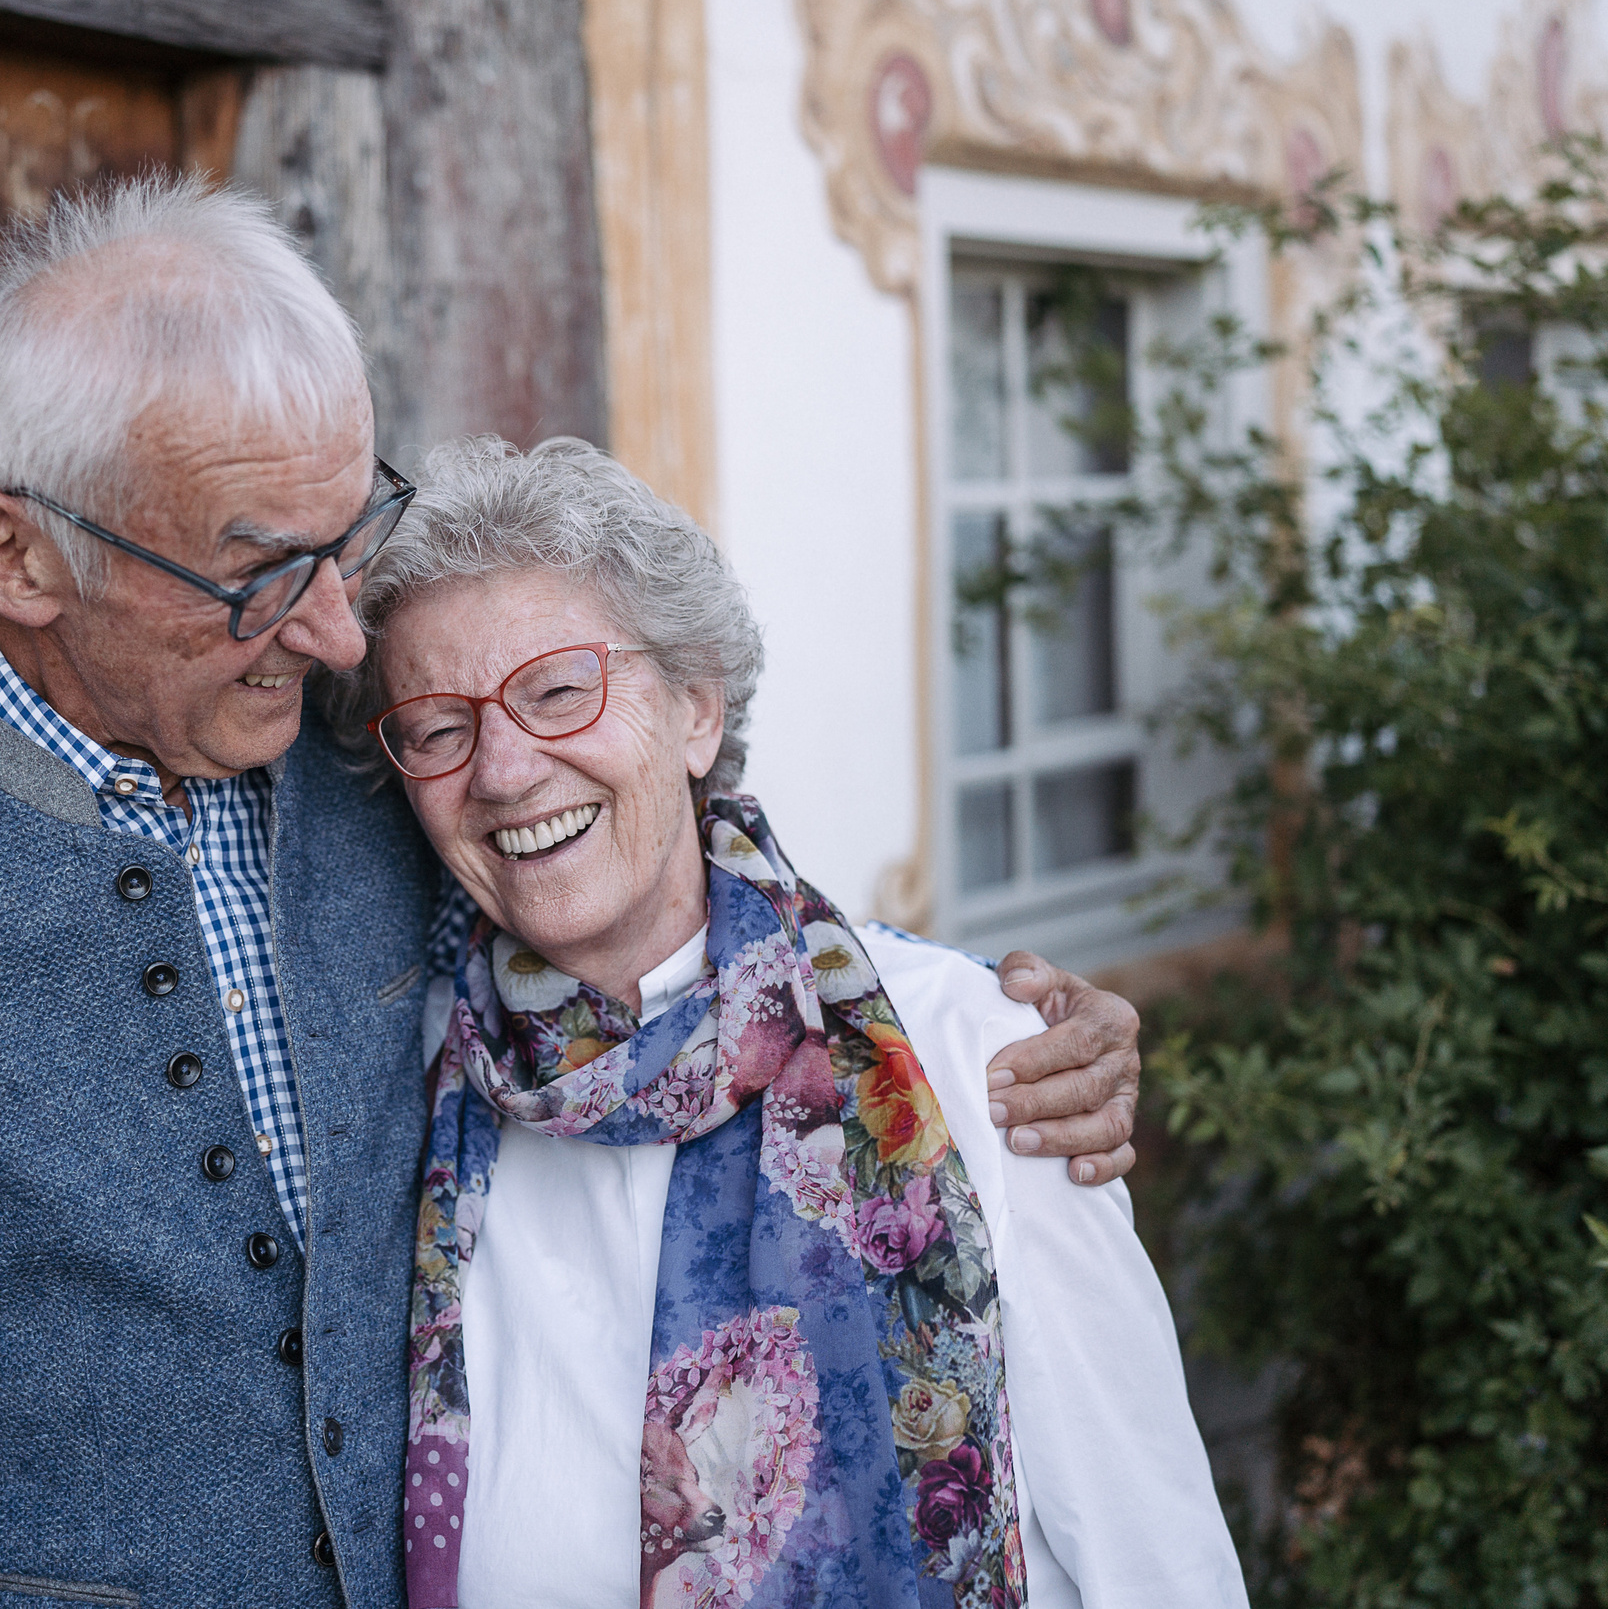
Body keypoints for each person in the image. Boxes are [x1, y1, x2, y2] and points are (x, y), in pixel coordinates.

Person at [0, 177, 1148, 1606]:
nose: (343, 632)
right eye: (264, 568)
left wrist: (975, 1022)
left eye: (354, 535)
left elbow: (643, 861)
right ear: (16, 553)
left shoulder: (380, 757)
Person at [327, 436, 1242, 1608]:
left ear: (696, 708)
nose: (503, 770)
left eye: (559, 689)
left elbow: (1158, 1569)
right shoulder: (417, 1085)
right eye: (439, 727)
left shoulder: (973, 1060)